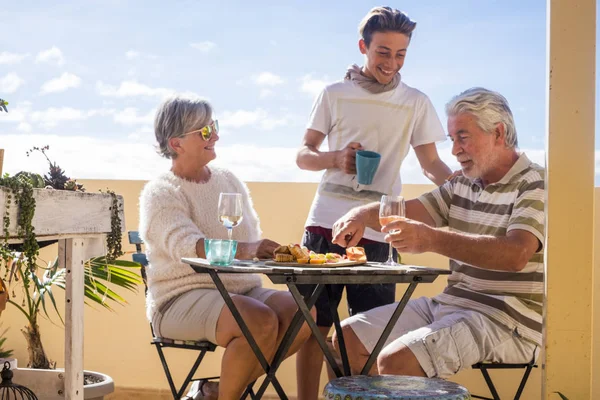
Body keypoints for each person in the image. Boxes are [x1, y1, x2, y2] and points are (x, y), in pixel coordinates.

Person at [295, 6, 454, 397]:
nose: (391, 62)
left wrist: (473, 191)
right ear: (363, 47)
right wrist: (334, 159)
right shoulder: (334, 93)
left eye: (400, 54)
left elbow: (432, 164)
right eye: (383, 52)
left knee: (373, 331)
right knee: (316, 326)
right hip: (325, 224)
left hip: (383, 230)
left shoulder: (415, 102)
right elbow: (303, 154)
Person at [330, 87, 544, 379]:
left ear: (498, 133)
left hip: (506, 319)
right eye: (453, 139)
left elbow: (516, 254)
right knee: (346, 339)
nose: (455, 150)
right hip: (451, 303)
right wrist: (360, 214)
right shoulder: (463, 184)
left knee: (396, 361)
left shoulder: (535, 184)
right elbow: (405, 210)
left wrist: (430, 239)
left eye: (463, 137)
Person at [139, 95, 315, 400]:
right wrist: (249, 249)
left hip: (241, 290)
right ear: (176, 143)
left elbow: (250, 235)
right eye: (205, 132)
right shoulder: (161, 192)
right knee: (258, 321)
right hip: (180, 296)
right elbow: (188, 247)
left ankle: (216, 391)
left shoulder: (228, 181)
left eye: (214, 127)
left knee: (303, 313)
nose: (216, 136)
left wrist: (271, 251)